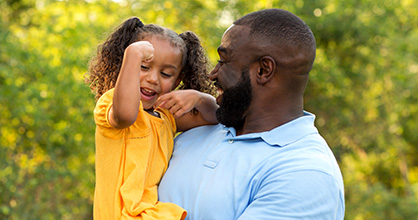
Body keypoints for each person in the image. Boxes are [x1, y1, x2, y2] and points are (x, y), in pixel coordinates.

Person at [159, 8, 345, 219]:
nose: (213, 74)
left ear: (263, 70)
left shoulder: (306, 172)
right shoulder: (200, 127)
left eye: (224, 61)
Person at [85, 17, 218, 219]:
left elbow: (214, 116)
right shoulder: (110, 104)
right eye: (143, 67)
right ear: (126, 66)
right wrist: (133, 55)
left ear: (177, 81)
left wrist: (199, 97)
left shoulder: (165, 115)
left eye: (165, 74)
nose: (153, 79)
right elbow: (126, 115)